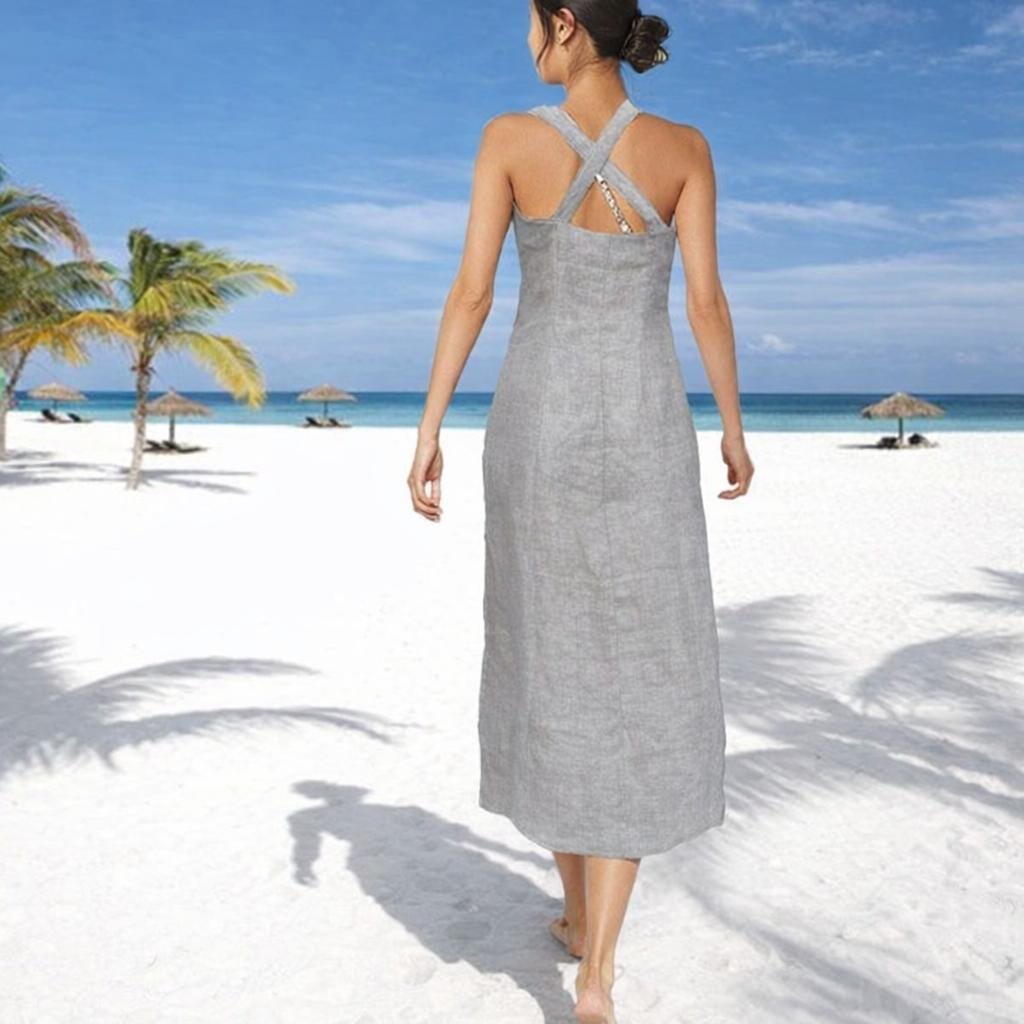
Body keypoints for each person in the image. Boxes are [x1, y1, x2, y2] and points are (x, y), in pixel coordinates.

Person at [408, 2, 754, 1020]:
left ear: (564, 25)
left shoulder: (508, 139)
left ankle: (576, 918)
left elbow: (471, 294)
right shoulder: (685, 149)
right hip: (647, 426)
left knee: (550, 654)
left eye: (530, 20)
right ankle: (594, 962)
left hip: (539, 425)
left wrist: (428, 425)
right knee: (637, 673)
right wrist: (734, 428)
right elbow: (705, 303)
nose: (525, 41)